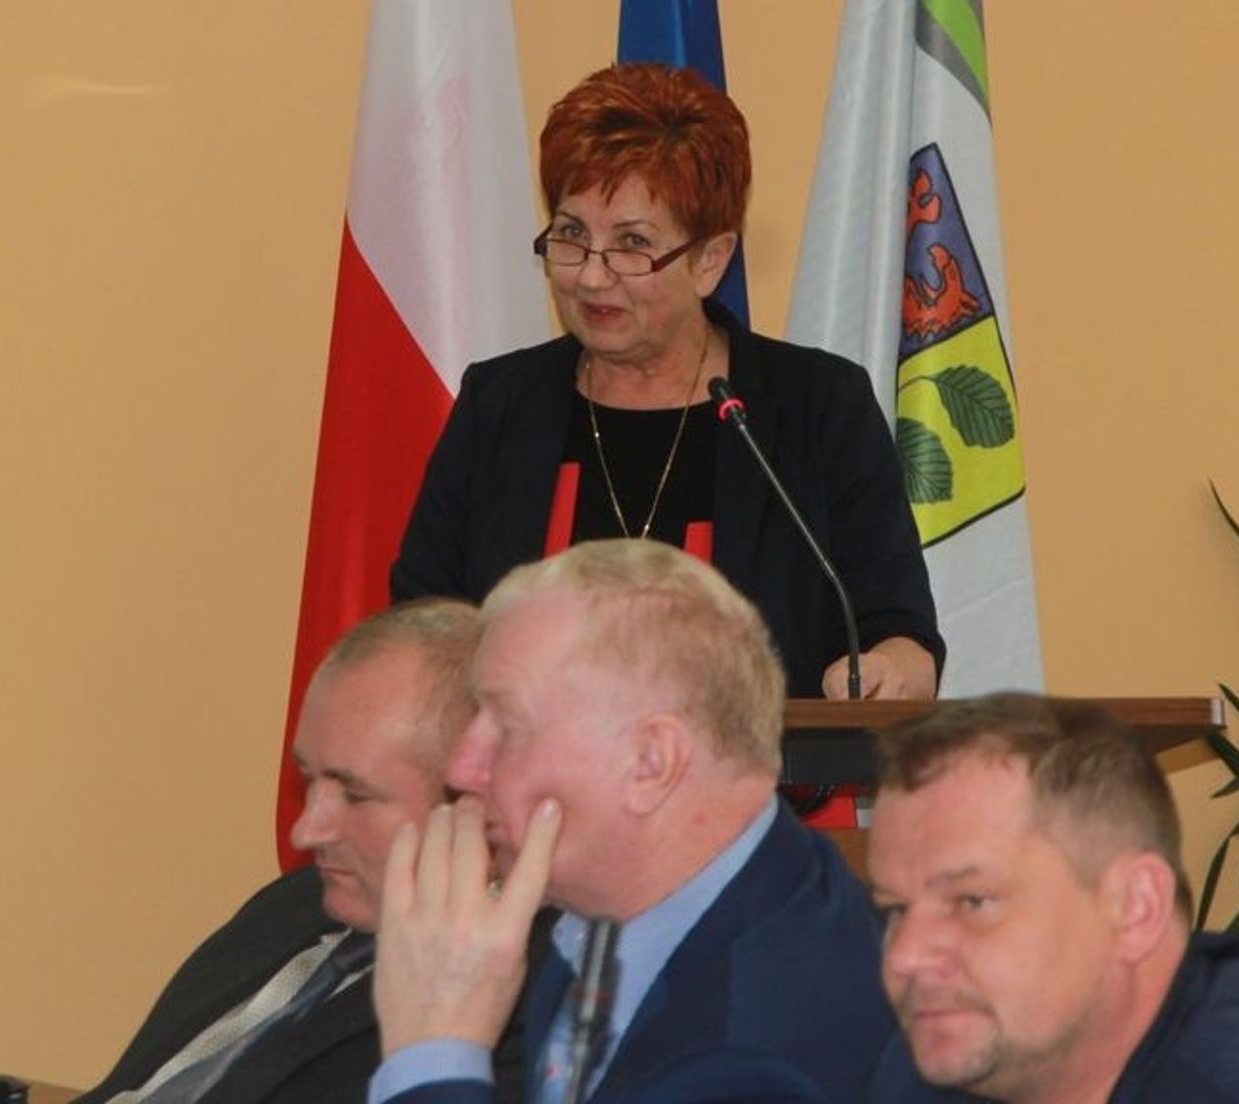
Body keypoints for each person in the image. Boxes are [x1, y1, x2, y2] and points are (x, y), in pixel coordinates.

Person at [390, 61, 943, 701]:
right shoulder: (500, 404)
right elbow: (422, 624)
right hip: (526, 765)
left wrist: (887, 673)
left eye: (632, 244)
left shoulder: (817, 408)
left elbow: (899, 633)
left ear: (710, 259)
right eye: (571, 234)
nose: (591, 276)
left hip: (758, 766)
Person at [368, 539, 895, 1104]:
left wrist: (436, 1049)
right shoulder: (629, 910)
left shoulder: (759, 1056)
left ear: (651, 763)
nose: (460, 768)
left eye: (508, 726)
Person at [78, 600, 532, 1104]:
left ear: (479, 803)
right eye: (308, 779)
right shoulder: (292, 906)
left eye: (354, 795)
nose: (305, 831)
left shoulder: (516, 1019)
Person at [865, 693, 1239, 1104]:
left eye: (973, 902)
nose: (906, 956)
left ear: (1137, 907)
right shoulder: (947, 1058)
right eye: (895, 910)